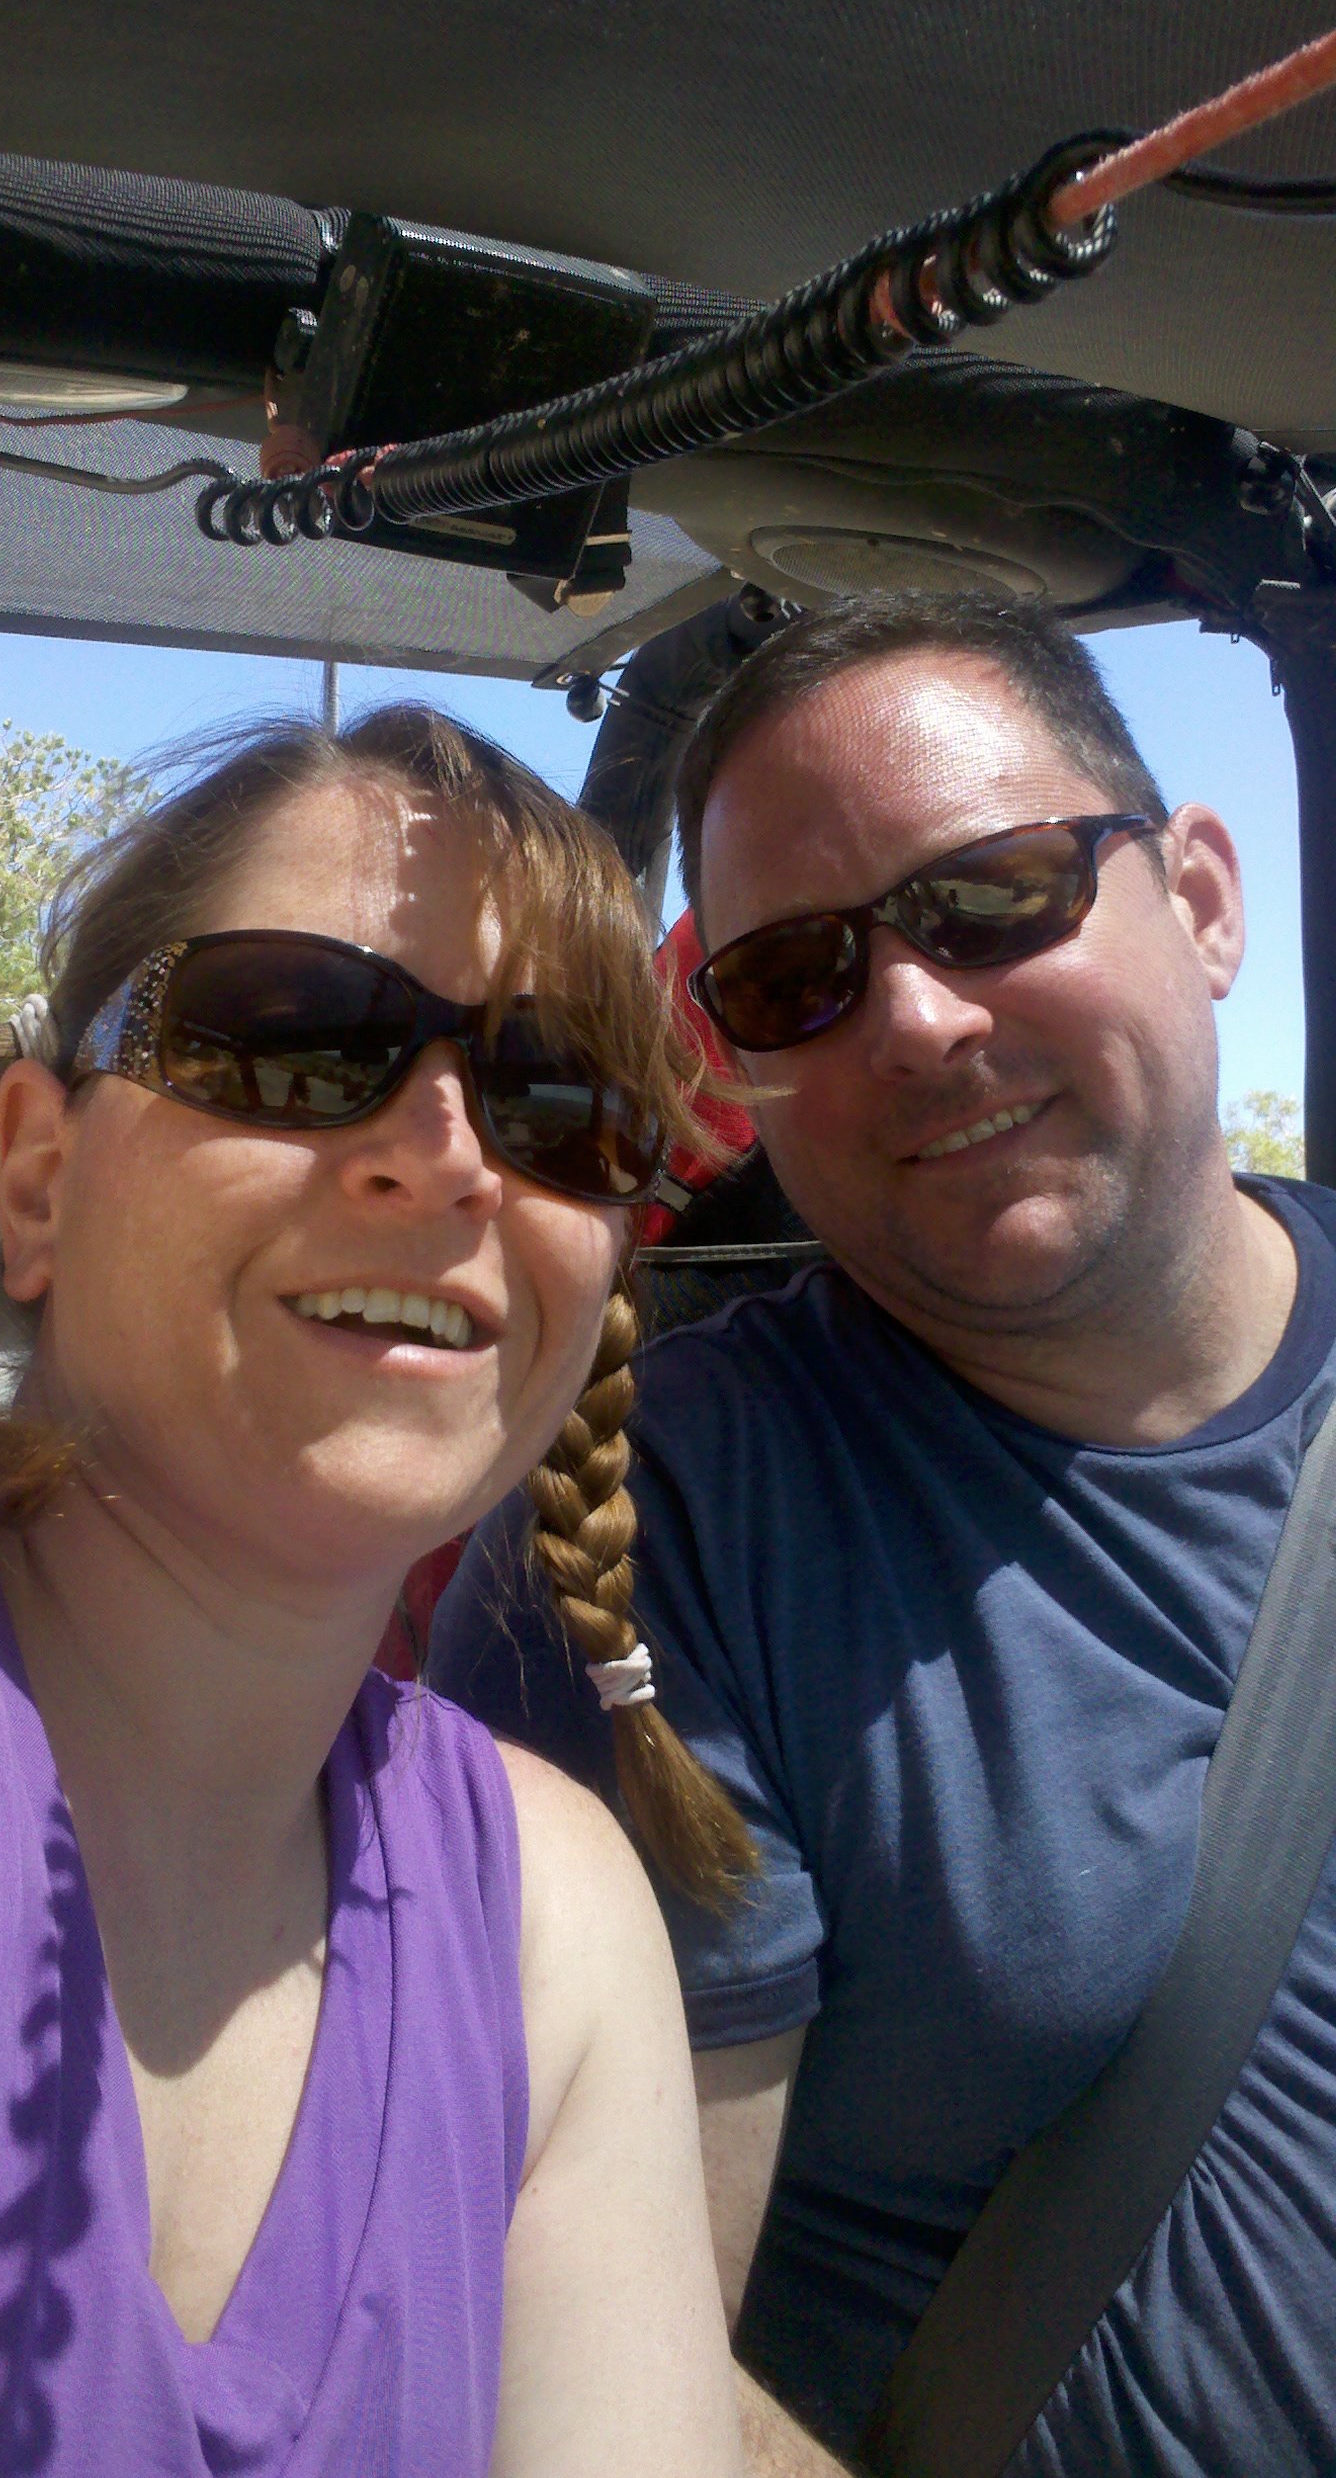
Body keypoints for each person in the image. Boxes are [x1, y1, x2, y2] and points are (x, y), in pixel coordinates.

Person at [429, 593, 1336, 2476]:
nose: (918, 1020)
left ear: (1203, 899)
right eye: (795, 980)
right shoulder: (666, 1527)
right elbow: (604, 2383)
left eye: (994, 897)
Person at [0, 702, 747, 2478]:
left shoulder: (553, 1929)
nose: (450, 1156)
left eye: (557, 1102)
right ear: (38, 1178)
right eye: (289, 1040)